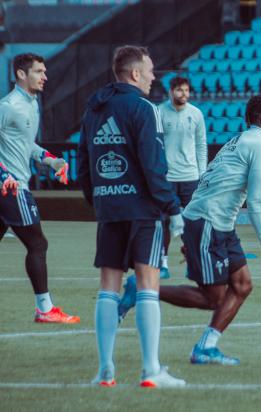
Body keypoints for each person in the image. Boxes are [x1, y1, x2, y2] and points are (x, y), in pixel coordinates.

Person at [119, 94, 261, 365]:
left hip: (215, 223)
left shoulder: (239, 140)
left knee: (242, 285)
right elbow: (256, 200)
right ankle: (142, 288)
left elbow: (208, 181)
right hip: (210, 222)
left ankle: (206, 347)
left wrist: (189, 228)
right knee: (213, 298)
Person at [77, 45, 185, 388]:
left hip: (109, 208)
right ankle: (151, 370)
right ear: (134, 73)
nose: (154, 77)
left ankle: (105, 370)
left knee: (107, 288)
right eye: (150, 71)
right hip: (142, 211)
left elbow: (84, 164)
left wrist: (99, 199)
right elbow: (154, 166)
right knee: (148, 286)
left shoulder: (94, 109)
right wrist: (173, 208)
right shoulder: (144, 108)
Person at [0, 53, 78, 324]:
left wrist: (52, 160)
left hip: (11, 186)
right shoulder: (8, 106)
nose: (45, 76)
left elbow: (27, 145)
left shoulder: (31, 105)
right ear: (21, 74)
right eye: (38, 71)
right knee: (37, 243)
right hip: (12, 188)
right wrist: (3, 176)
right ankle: (44, 309)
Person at [158, 75, 207, 279]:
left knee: (192, 221)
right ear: (170, 92)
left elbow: (201, 145)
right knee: (163, 221)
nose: (183, 94)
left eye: (186, 90)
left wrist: (202, 173)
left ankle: (192, 263)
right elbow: (154, 144)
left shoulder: (196, 114)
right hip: (166, 178)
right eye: (179, 90)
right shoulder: (159, 112)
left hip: (190, 177)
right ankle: (163, 264)